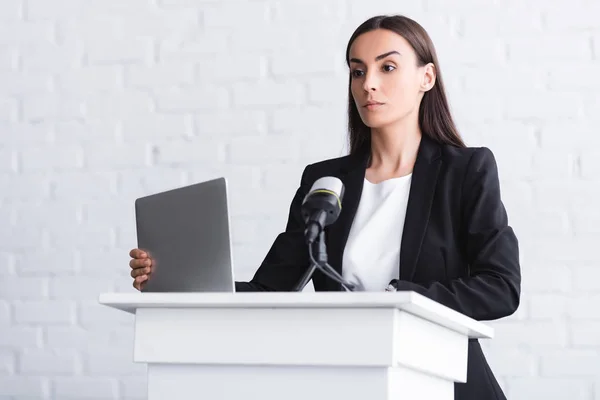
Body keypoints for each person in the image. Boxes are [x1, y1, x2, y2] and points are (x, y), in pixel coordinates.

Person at [128, 14, 520, 400]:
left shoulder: (465, 171)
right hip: (348, 382)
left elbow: (500, 287)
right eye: (357, 71)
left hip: (444, 383)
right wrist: (179, 282)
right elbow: (271, 290)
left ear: (426, 78)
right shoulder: (327, 182)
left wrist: (403, 299)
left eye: (387, 67)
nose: (370, 84)